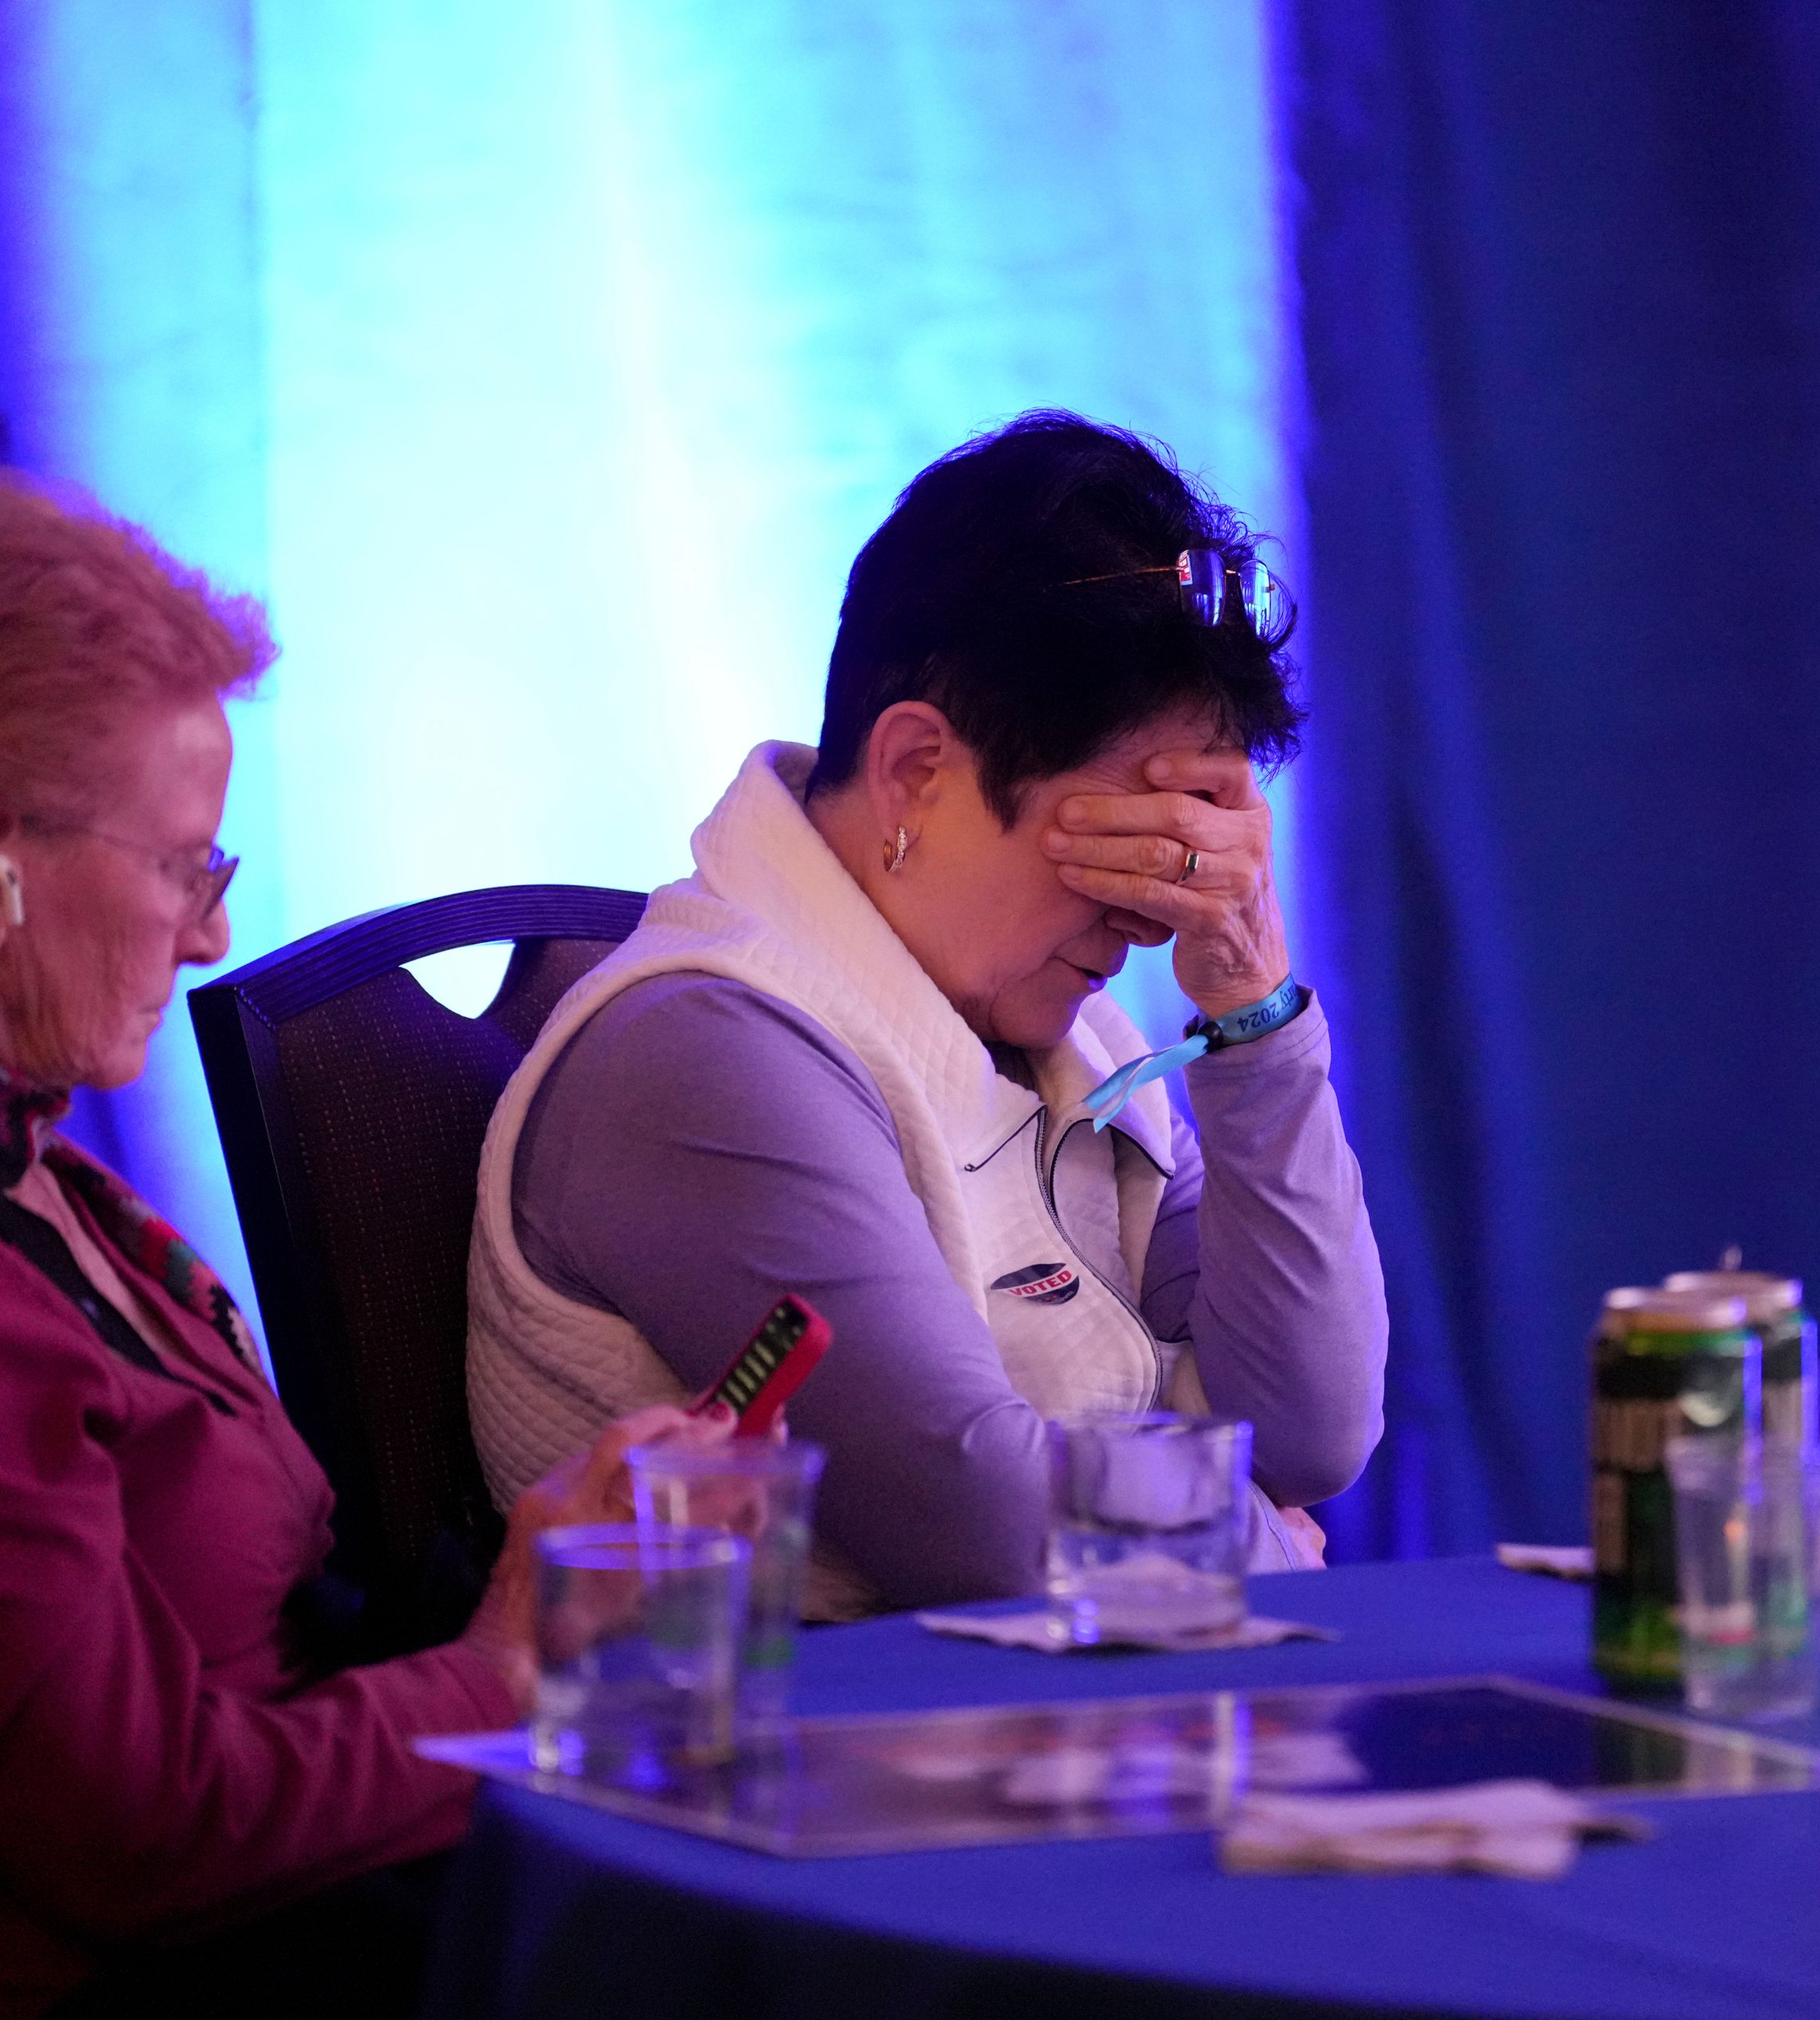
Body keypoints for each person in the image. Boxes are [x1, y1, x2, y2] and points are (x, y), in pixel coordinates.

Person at [0, 473, 715, 2020]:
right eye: (180, 864)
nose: (207, 934)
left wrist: (541, 1580)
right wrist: (506, 1669)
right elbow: (139, 1836)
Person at [469, 412, 1388, 1613]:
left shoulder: (1063, 1037)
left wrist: (1254, 1009)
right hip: (764, 1770)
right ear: (915, 770)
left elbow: (1308, 1433)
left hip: (1056, 1746)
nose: (1158, 917)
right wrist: (1260, 1544)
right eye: (1124, 845)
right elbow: (990, 1534)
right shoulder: (703, 1052)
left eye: (1193, 850)